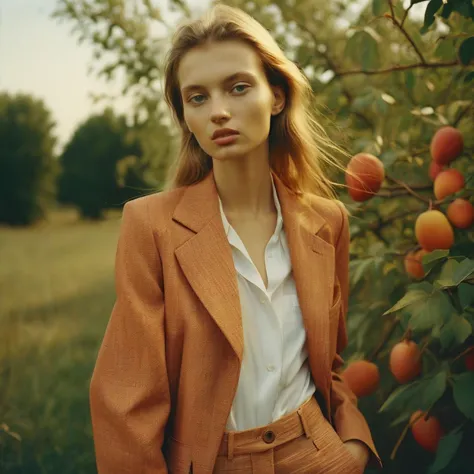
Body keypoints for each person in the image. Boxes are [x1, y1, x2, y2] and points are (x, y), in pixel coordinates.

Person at [89, 3, 382, 473]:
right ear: (185, 116)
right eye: (197, 97)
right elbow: (127, 405)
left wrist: (353, 444)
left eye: (238, 87)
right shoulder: (150, 227)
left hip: (320, 453)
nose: (219, 111)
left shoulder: (328, 221)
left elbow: (330, 362)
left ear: (278, 95)